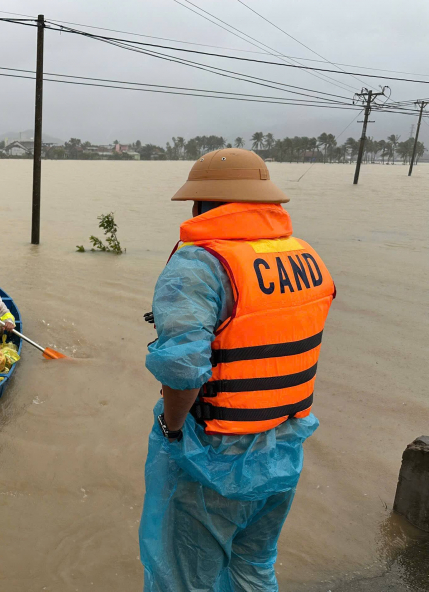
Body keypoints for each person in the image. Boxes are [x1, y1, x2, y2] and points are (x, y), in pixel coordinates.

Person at [139, 148, 335, 591]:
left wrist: (173, 432)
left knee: (189, 580)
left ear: (202, 204)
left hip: (216, 455)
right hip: (284, 446)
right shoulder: (306, 256)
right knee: (254, 567)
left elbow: (182, 368)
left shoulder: (200, 264)